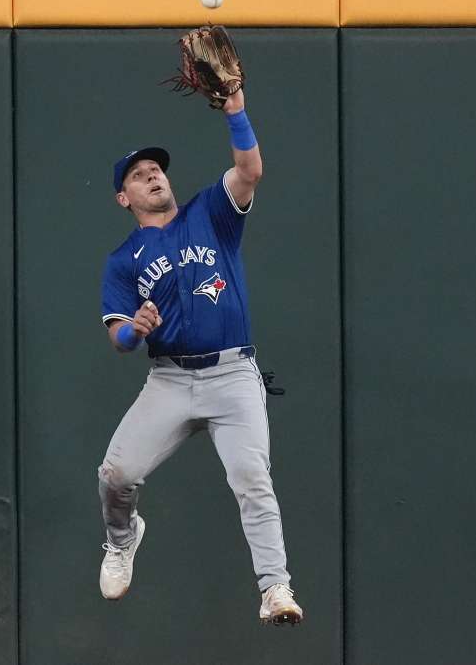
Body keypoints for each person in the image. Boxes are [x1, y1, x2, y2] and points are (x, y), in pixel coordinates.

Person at [96, 88, 303, 625]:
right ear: (125, 198)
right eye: (139, 175)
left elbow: (250, 169)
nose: (153, 176)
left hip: (233, 372)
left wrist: (234, 106)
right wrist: (132, 333)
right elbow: (116, 332)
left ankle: (275, 588)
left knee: (252, 477)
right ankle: (122, 541)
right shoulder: (123, 261)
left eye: (156, 170)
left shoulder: (211, 213)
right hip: (169, 379)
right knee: (116, 475)